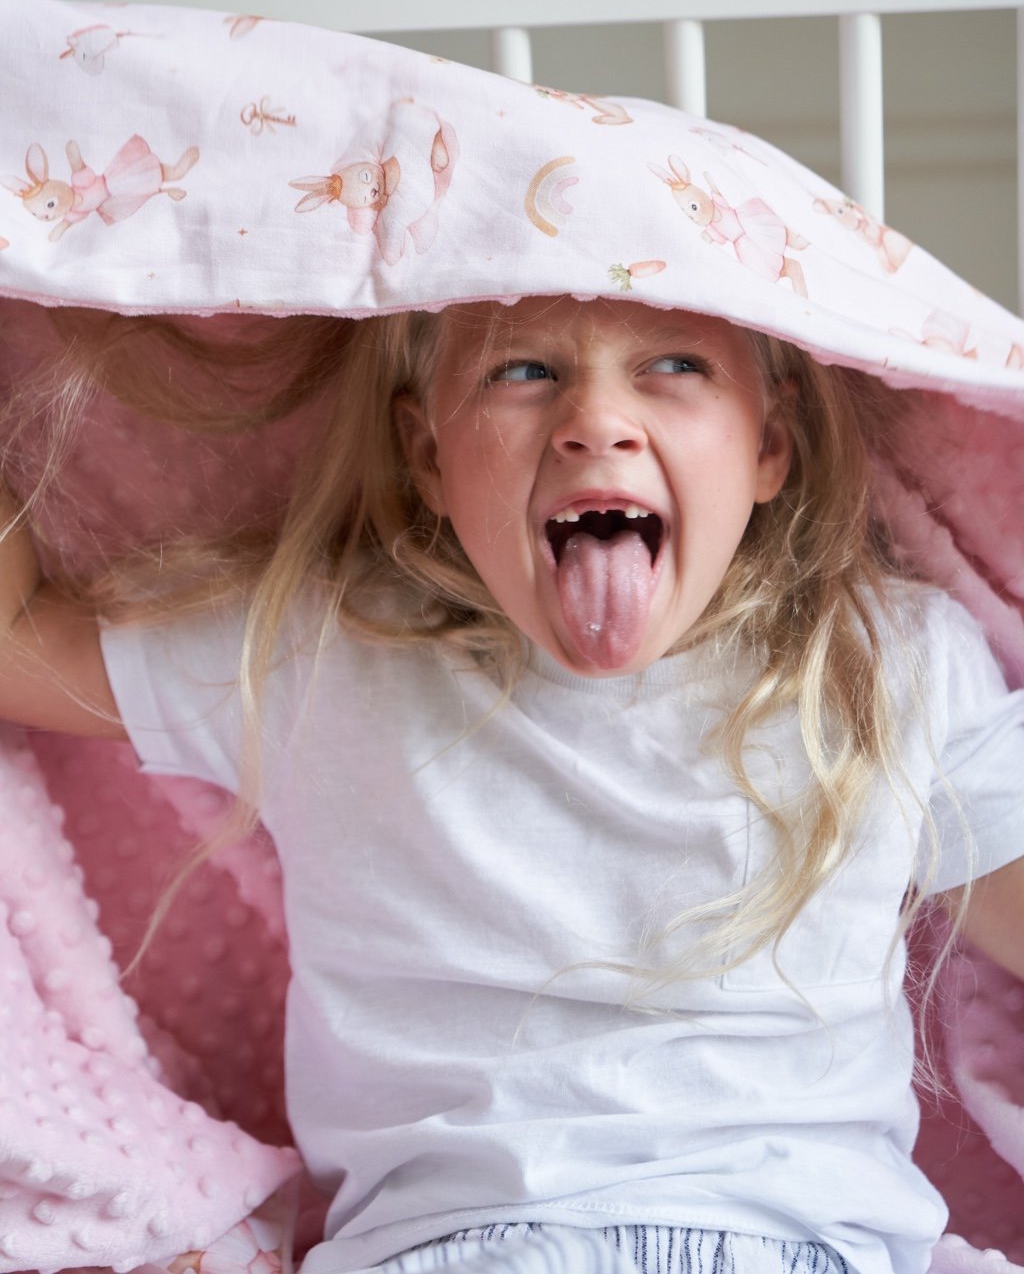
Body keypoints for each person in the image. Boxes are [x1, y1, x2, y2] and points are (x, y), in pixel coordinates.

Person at [0, 289, 1022, 1274]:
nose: (596, 421)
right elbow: (17, 641)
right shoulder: (322, 649)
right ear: (425, 453)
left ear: (769, 445)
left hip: (801, 1242)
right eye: (524, 371)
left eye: (675, 365)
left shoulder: (882, 658)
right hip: (457, 1247)